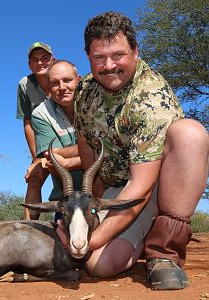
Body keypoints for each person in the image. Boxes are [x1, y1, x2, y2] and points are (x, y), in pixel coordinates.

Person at [73, 11, 209, 290]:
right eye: (99, 57)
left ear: (135, 51)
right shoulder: (84, 91)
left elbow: (142, 187)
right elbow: (85, 140)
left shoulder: (151, 97)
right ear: (88, 56)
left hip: (155, 186)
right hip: (119, 188)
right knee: (99, 265)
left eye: (118, 55)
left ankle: (164, 252)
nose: (108, 65)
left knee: (190, 133)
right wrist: (93, 203)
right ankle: (142, 237)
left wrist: (94, 237)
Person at [31, 60, 83, 220]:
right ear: (48, 87)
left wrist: (67, 161)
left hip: (103, 193)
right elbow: (52, 158)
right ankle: (28, 224)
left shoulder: (96, 101)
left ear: (79, 80)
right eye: (55, 83)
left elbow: (110, 150)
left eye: (67, 80)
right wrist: (91, 152)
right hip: (67, 200)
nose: (62, 87)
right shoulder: (41, 113)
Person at [16, 42, 55, 220]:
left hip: (71, 140)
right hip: (45, 145)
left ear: (52, 60)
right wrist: (36, 157)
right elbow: (28, 121)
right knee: (34, 178)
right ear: (29, 64)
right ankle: (28, 230)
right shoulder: (25, 84)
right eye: (35, 59)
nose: (40, 63)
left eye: (44, 58)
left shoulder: (62, 77)